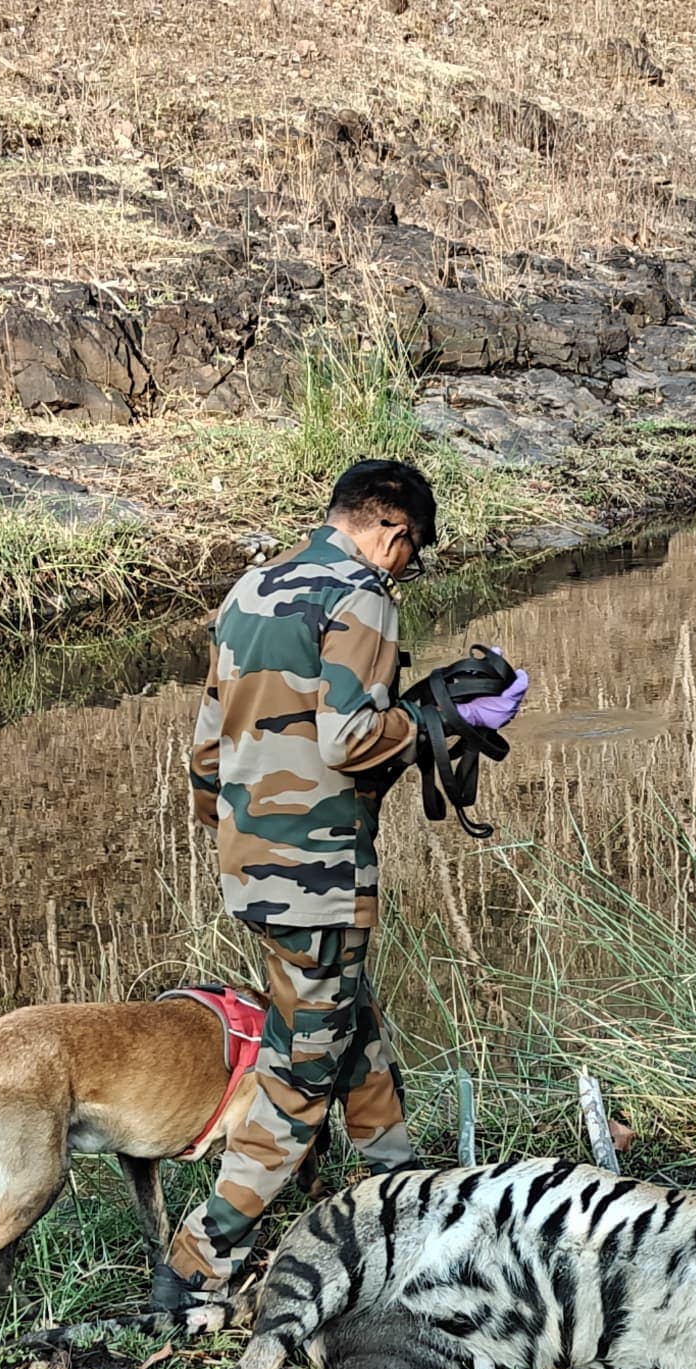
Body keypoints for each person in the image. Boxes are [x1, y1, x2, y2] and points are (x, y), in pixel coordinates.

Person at [159, 458, 528, 1320]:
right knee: (302, 1072)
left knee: (350, 1022)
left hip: (252, 866)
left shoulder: (252, 589)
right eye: (411, 553)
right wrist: (442, 716)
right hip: (321, 878)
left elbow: (206, 754)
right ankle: (199, 1262)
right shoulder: (363, 596)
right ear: (392, 531)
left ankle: (408, 1197)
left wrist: (242, 841)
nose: (405, 569)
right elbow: (351, 740)